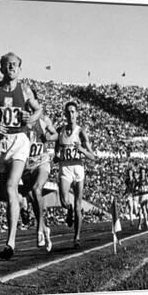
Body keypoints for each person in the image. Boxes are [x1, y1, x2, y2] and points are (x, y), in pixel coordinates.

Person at [0, 52, 42, 260]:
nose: (11, 67)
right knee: (8, 192)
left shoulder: (25, 90)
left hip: (19, 141)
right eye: (7, 64)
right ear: (1, 68)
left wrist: (31, 117)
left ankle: (10, 242)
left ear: (20, 69)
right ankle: (22, 201)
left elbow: (39, 110)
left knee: (11, 186)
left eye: (15, 64)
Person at [54, 101, 96, 249]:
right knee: (63, 200)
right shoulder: (60, 131)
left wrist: (82, 150)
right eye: (68, 112)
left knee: (78, 205)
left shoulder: (81, 132)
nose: (70, 114)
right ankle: (68, 209)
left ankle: (77, 237)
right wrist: (57, 156)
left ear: (76, 114)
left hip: (78, 168)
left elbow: (93, 156)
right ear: (65, 114)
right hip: (65, 168)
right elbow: (56, 153)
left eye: (73, 112)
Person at [21, 94, 58, 252]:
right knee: (34, 200)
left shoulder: (43, 119)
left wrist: (48, 136)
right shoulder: (20, 117)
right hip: (26, 166)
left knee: (37, 189)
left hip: (42, 162)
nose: (29, 104)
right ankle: (45, 228)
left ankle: (39, 230)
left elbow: (56, 135)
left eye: (31, 100)